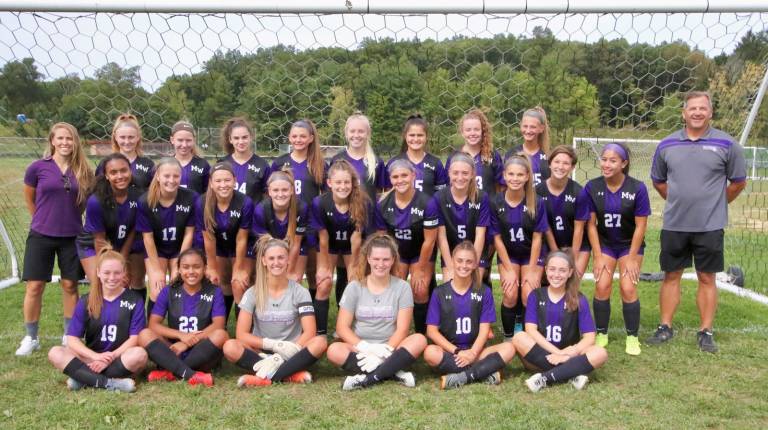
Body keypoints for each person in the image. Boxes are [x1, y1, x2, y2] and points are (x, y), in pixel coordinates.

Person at [648, 91, 747, 353]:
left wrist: (716, 202)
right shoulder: (667, 145)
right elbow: (658, 181)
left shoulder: (728, 145)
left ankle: (705, 331)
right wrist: (679, 200)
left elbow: (738, 182)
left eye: (702, 108)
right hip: (675, 223)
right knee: (671, 275)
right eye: (692, 108)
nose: (697, 112)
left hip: (710, 225)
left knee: (707, 277)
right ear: (683, 113)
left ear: (710, 112)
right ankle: (665, 327)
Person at [16, 122, 95, 356]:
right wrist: (42, 219)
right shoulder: (37, 168)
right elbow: (30, 199)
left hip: (71, 236)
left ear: (75, 142)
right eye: (60, 138)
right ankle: (31, 337)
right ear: (52, 140)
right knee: (35, 286)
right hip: (41, 234)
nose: (65, 143)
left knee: (70, 285)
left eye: (69, 139)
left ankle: (69, 336)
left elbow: (83, 204)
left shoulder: (83, 171)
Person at [326, 233, 426, 391]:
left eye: (386, 259)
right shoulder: (354, 286)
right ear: (368, 259)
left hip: (392, 348)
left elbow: (403, 329)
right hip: (361, 348)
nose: (381, 264)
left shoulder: (402, 287)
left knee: (419, 339)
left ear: (393, 260)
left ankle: (367, 378)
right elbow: (342, 328)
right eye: (376, 259)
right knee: (333, 350)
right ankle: (394, 371)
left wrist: (383, 353)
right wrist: (366, 348)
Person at [223, 235, 327, 386]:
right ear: (264, 261)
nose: (276, 263)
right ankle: (288, 374)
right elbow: (241, 334)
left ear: (288, 260)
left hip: (292, 351)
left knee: (320, 342)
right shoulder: (252, 292)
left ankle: (263, 378)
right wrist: (273, 345)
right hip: (262, 352)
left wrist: (289, 349)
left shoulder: (300, 292)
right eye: (271, 258)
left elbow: (310, 332)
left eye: (280, 258)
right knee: (230, 346)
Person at [47, 248, 147, 392]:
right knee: (55, 352)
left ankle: (83, 379)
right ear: (99, 272)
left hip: (119, 358)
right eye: (107, 273)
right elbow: (72, 339)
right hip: (91, 358)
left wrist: (110, 357)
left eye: (117, 272)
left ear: (124, 272)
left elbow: (135, 338)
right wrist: (96, 357)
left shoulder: (134, 299)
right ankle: (112, 384)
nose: (112, 277)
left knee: (139, 355)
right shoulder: (87, 300)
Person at [583, 142, 650, 355]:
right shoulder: (592, 187)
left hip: (629, 245)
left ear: (624, 163)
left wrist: (631, 258)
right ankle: (601, 332)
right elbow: (590, 225)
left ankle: (632, 337)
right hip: (605, 244)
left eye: (613, 160)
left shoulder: (637, 188)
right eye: (604, 159)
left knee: (628, 287)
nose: (607, 164)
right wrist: (598, 255)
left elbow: (641, 226)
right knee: (602, 285)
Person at [423, 242, 515, 390]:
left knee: (509, 348)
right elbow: (431, 331)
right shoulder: (439, 293)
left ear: (475, 264)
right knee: (430, 353)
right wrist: (458, 352)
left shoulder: (483, 291)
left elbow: (485, 330)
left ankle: (462, 377)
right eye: (459, 260)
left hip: (477, 352)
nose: (463, 265)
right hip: (451, 352)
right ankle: (482, 372)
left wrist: (472, 353)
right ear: (452, 261)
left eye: (469, 262)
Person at [512, 251, 607, 393]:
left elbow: (590, 337)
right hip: (542, 354)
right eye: (552, 269)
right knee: (519, 337)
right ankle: (570, 373)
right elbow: (531, 330)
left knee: (600, 353)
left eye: (562, 270)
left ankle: (545, 378)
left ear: (570, 273)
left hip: (570, 354)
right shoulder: (536, 295)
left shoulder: (578, 299)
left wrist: (569, 353)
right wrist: (558, 353)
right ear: (545, 270)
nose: (556, 275)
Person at [138, 248, 227, 387]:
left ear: (205, 268)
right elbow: (153, 325)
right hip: (173, 349)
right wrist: (181, 336)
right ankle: (190, 374)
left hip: (200, 349)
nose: (191, 272)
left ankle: (170, 372)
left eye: (196, 267)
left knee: (221, 335)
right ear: (178, 269)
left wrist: (187, 343)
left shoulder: (214, 291)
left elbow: (218, 325)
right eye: (186, 267)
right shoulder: (169, 291)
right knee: (144, 334)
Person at [374, 159, 439, 334]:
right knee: (395, 290)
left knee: (420, 288)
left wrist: (420, 269)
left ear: (413, 176)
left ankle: (421, 335)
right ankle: (394, 332)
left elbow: (430, 240)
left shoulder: (427, 202)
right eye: (395, 177)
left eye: (404, 175)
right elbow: (383, 239)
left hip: (421, 251)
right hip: (398, 253)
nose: (400, 180)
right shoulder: (383, 203)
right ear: (390, 179)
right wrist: (391, 264)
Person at [491, 154, 549, 339]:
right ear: (505, 176)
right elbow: (497, 239)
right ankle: (509, 338)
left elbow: (538, 238)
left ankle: (526, 337)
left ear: (527, 177)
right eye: (511, 174)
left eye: (519, 175)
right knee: (509, 293)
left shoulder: (537, 202)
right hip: (509, 255)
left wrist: (532, 270)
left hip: (531, 254)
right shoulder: (496, 202)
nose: (515, 179)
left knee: (528, 294)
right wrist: (508, 269)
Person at [312, 159, 371, 335]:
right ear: (330, 183)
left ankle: (348, 328)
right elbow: (323, 238)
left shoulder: (361, 202)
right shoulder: (320, 203)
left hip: (351, 246)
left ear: (353, 183)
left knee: (354, 283)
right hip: (328, 245)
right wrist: (323, 267)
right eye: (338, 182)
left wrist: (354, 267)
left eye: (347, 182)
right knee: (324, 283)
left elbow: (357, 239)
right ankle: (320, 332)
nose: (343, 186)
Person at [271, 119, 325, 298]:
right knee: (288, 269)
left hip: (312, 223)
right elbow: (270, 192)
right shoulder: (280, 163)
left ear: (311, 138)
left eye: (303, 136)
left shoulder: (319, 163)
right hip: (286, 223)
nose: (298, 139)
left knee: (311, 271)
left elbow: (326, 196)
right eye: (294, 136)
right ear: (289, 138)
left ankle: (312, 312)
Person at [77, 153, 143, 299]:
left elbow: (133, 231)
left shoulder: (138, 196)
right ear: (106, 175)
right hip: (94, 245)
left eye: (123, 170)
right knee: (104, 283)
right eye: (113, 172)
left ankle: (135, 318)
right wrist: (113, 267)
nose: (120, 176)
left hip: (124, 243)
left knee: (132, 279)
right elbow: (99, 240)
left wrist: (123, 263)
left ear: (130, 170)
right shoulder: (96, 201)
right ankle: (98, 318)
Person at [136, 157, 197, 313]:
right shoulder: (145, 201)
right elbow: (147, 238)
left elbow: (189, 234)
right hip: (157, 250)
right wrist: (156, 271)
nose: (171, 180)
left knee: (180, 285)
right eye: (166, 176)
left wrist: (180, 264)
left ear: (181, 176)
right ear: (158, 176)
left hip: (180, 248)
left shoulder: (190, 197)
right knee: (158, 289)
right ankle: (152, 330)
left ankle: (180, 328)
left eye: (176, 176)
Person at [195, 162, 254, 321]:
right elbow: (209, 237)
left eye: (227, 180)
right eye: (218, 181)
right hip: (219, 247)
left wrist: (240, 267)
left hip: (241, 247)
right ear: (211, 183)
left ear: (235, 180)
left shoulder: (245, 202)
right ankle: (222, 325)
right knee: (219, 282)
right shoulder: (202, 202)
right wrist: (212, 267)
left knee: (238, 283)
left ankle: (244, 328)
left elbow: (242, 238)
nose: (223, 185)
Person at [431, 152, 491, 282]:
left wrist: (472, 264)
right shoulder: (439, 197)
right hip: (451, 254)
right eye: (455, 173)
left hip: (475, 253)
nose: (460, 177)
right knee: (451, 289)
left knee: (472, 290)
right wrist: (451, 266)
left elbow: (480, 236)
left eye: (465, 173)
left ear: (472, 174)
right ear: (449, 173)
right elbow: (441, 237)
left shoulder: (481, 197)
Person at [536, 145, 591, 277]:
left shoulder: (579, 192)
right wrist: (556, 254)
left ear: (572, 167)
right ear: (549, 164)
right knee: (549, 284)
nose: (560, 167)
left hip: (576, 245)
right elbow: (545, 227)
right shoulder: (537, 190)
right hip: (548, 245)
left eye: (566, 163)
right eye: (557, 162)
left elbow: (579, 229)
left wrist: (572, 258)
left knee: (571, 283)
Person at [251, 169, 308, 283]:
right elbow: (264, 243)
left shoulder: (301, 208)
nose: (280, 194)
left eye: (285, 190)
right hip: (269, 248)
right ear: (269, 192)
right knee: (270, 281)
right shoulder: (261, 210)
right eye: (276, 190)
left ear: (292, 190)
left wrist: (289, 270)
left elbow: (296, 243)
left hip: (295, 247)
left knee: (293, 280)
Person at [446, 109, 504, 196]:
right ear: (462, 132)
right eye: (468, 130)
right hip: (462, 208)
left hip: (487, 208)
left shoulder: (493, 155)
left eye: (476, 129)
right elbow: (448, 185)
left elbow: (501, 185)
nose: (472, 133)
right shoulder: (454, 157)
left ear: (482, 131)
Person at [386, 114, 447, 195]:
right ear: (405, 136)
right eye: (412, 135)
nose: (416, 139)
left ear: (426, 136)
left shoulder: (435, 163)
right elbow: (388, 195)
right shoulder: (394, 162)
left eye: (420, 135)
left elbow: (441, 196)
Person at [219, 117, 271, 203]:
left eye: (244, 137)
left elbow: (268, 196)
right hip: (227, 216)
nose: (241, 142)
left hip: (252, 216)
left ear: (251, 137)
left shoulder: (262, 165)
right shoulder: (222, 164)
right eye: (236, 138)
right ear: (230, 140)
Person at [96, 114, 155, 190]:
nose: (127, 141)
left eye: (131, 137)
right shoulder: (105, 164)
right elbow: (99, 192)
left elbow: (154, 194)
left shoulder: (148, 164)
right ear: (115, 137)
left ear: (138, 137)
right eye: (122, 137)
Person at [505, 107, 551, 186]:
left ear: (541, 128)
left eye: (533, 127)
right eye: (525, 126)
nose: (528, 131)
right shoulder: (511, 154)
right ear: (520, 126)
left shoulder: (549, 157)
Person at [171, 120, 210, 195]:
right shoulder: (165, 165)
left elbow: (208, 194)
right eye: (180, 140)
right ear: (172, 140)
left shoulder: (203, 165)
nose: (184, 145)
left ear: (194, 141)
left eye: (188, 140)